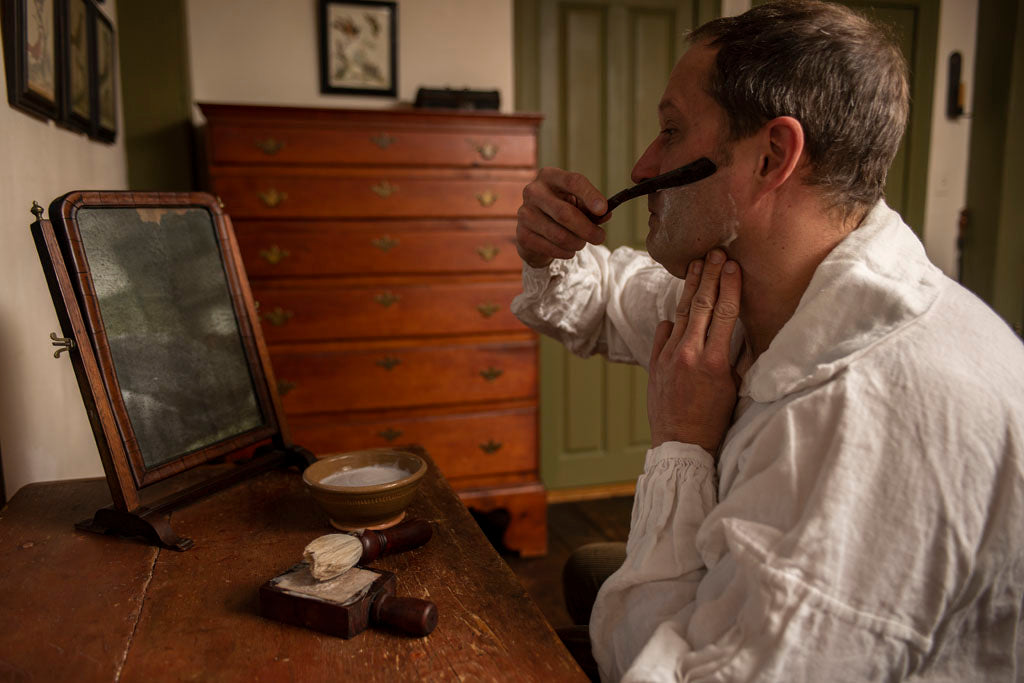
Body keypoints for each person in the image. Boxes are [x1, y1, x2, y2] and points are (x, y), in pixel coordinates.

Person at [510, 1, 1024, 681]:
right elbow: (603, 297)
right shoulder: (755, 289)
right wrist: (547, 246)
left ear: (773, 156)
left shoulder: (870, 418)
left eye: (671, 131)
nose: (642, 164)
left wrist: (682, 446)